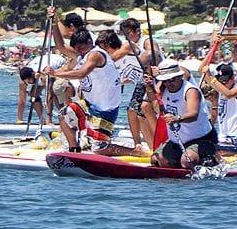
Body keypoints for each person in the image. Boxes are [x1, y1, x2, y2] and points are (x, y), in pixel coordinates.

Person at [46, 27, 124, 154]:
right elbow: (61, 46)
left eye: (81, 47)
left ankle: (135, 151)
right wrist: (54, 22)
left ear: (89, 42)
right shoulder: (81, 54)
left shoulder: (95, 55)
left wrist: (56, 73)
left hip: (106, 108)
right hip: (89, 105)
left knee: (99, 149)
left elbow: (82, 73)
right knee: (64, 113)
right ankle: (74, 150)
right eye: (76, 48)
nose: (79, 51)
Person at [149, 61, 218, 168]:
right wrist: (148, 85)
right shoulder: (163, 88)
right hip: (177, 140)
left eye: (172, 79)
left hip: (201, 138)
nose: (169, 83)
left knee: (187, 161)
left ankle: (210, 159)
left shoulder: (190, 91)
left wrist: (177, 119)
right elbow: (154, 103)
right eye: (165, 80)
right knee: (156, 160)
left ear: (180, 76)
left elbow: (193, 114)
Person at [118, 17, 160, 150]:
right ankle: (138, 143)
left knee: (145, 110)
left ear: (137, 31)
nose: (127, 37)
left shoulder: (146, 40)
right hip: (143, 79)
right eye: (124, 34)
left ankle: (156, 143)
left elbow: (154, 51)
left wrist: (143, 62)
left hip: (155, 78)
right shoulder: (130, 45)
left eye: (128, 33)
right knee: (131, 110)